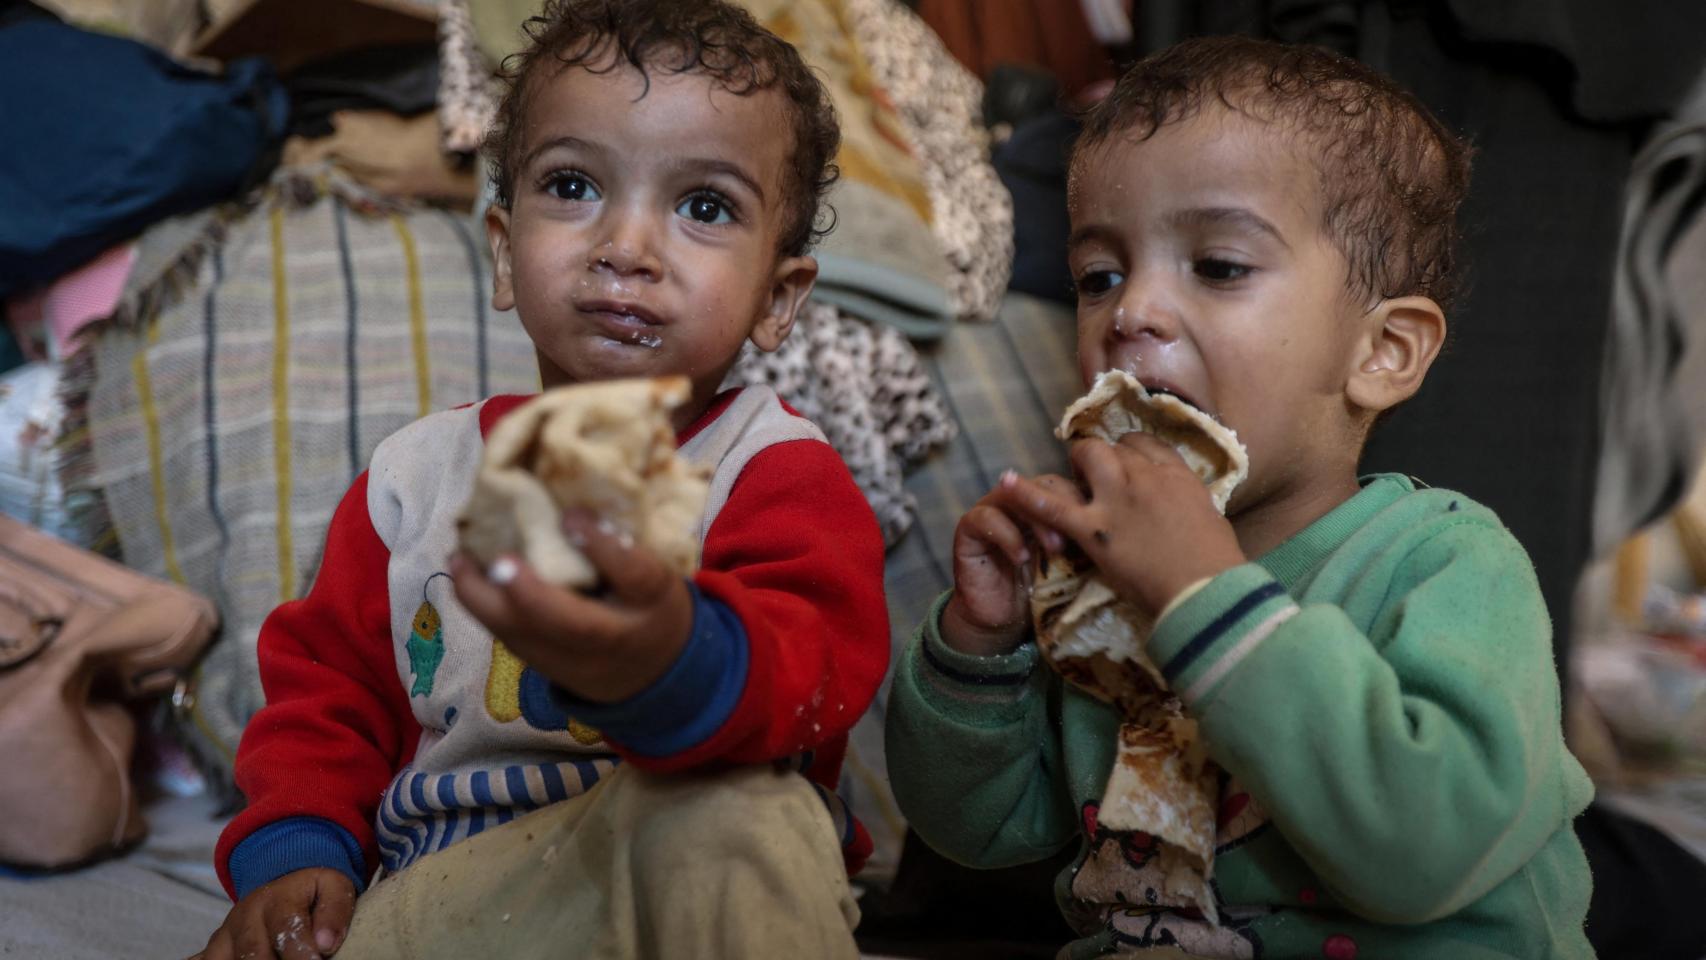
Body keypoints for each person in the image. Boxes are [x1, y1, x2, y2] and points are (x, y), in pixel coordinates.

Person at [195, 2, 888, 958]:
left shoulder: (773, 475)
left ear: (778, 299)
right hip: (446, 895)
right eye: (572, 185)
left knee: (746, 816)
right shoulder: (416, 478)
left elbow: (814, 668)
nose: (627, 247)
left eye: (704, 206)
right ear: (501, 250)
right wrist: (296, 853)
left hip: (671, 885)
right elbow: (326, 697)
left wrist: (663, 659)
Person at [886, 35, 1594, 959]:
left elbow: (1423, 851)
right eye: (1099, 276)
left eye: (1217, 267)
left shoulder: (1447, 562)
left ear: (1382, 353)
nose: (1128, 313)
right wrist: (979, 650)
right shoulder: (1100, 576)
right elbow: (979, 830)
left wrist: (1204, 596)